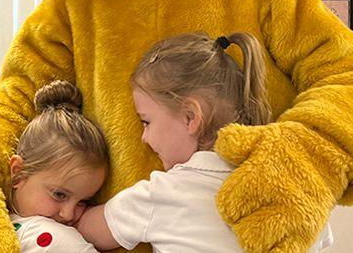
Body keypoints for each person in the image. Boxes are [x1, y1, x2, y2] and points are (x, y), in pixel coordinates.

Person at [76, 32, 334, 252]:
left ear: (190, 117)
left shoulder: (162, 194)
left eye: (146, 121)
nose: (143, 137)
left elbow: (88, 229)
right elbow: (320, 236)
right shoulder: (289, 185)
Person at [6, 80, 109, 253]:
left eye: (83, 202)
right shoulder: (54, 238)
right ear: (18, 173)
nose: (69, 215)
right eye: (59, 194)